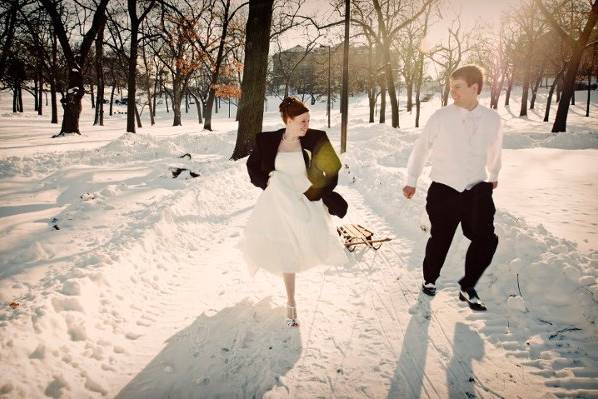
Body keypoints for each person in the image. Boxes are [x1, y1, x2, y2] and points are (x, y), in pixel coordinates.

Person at [403, 65, 503, 311]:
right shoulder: (441, 117)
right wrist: (412, 179)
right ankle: (429, 279)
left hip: (476, 191)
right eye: (451, 88)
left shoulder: (492, 119)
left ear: (474, 88)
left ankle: (468, 285)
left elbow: (495, 148)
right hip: (444, 190)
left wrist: (494, 173)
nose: (453, 92)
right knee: (441, 238)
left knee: (487, 239)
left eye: (457, 87)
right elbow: (422, 147)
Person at [241, 96, 348, 326]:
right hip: (278, 204)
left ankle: (291, 298)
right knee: (286, 249)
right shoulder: (267, 141)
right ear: (288, 120)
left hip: (305, 202)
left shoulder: (315, 140)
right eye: (302, 121)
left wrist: (319, 192)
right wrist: (266, 182)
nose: (306, 125)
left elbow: (333, 170)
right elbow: (252, 167)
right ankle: (291, 303)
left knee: (308, 245)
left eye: (308, 120)